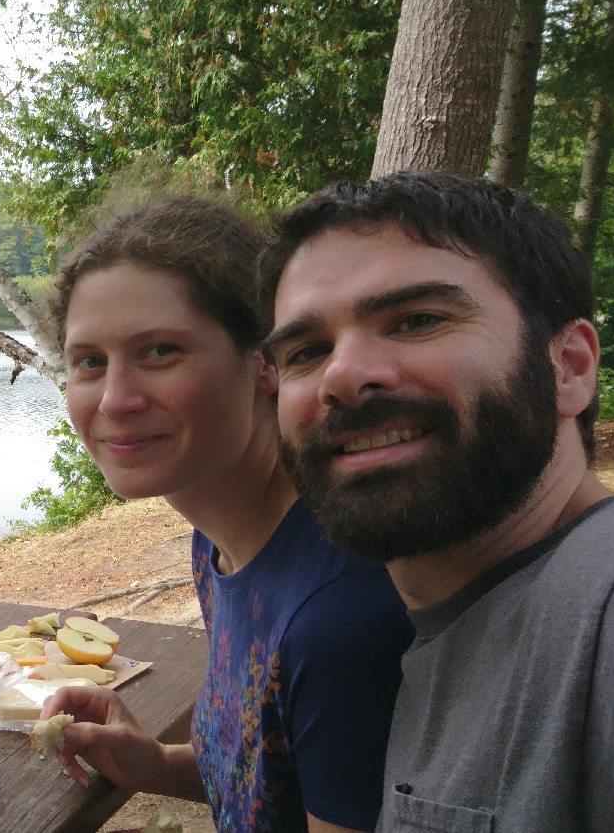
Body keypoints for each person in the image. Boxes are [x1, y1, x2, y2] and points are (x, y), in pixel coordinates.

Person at [259, 170, 614, 831]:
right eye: (307, 351)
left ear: (567, 367)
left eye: (417, 319)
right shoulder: (453, 627)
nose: (341, 374)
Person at [39, 196, 414, 833]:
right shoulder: (219, 546)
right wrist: (159, 764)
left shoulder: (340, 615)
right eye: (90, 362)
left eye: (159, 351)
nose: (116, 399)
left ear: (264, 361)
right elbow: (277, 783)